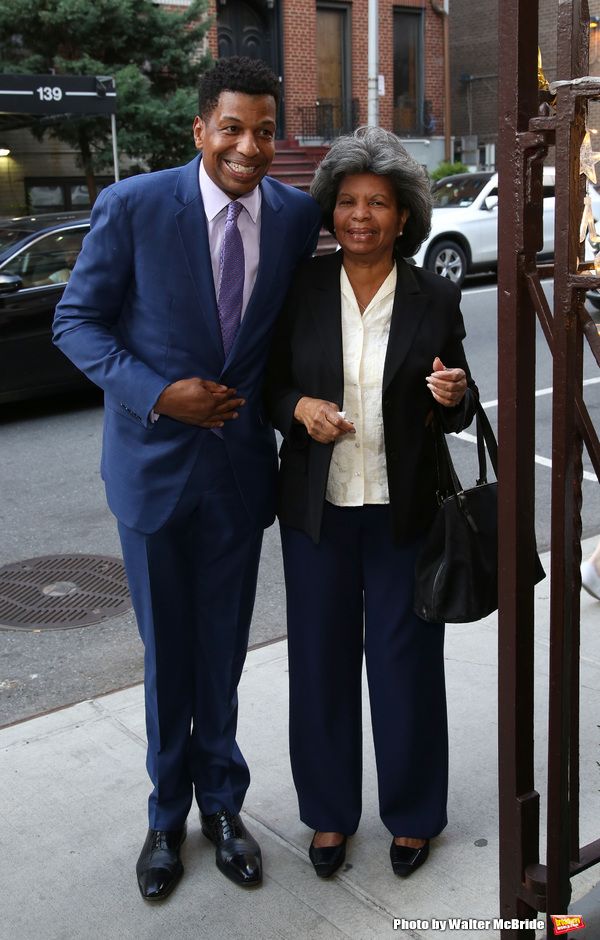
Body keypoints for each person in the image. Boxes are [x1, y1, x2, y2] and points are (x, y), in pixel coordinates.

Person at [52, 56, 322, 901]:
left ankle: (224, 807)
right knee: (169, 656)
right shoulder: (132, 207)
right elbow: (77, 321)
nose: (249, 146)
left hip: (238, 479)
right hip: (153, 475)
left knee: (222, 655)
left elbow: (294, 333)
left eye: (264, 129)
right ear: (200, 129)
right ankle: (165, 818)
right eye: (233, 127)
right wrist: (159, 394)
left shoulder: (293, 214)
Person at [264, 127, 479, 879]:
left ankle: (414, 814)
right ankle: (328, 816)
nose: (362, 216)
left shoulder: (434, 295)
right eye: (350, 202)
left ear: (403, 215)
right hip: (318, 512)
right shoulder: (301, 288)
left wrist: (453, 394)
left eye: (378, 203)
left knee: (405, 663)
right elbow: (269, 385)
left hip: (403, 512)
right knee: (318, 664)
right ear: (332, 210)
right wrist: (299, 410)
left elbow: (460, 401)